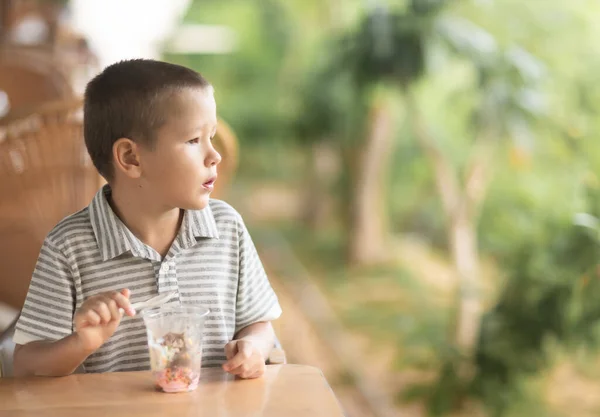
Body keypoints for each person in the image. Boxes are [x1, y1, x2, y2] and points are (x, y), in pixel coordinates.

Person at [12, 59, 282, 379]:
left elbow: (259, 324)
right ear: (131, 157)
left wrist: (253, 346)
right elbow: (26, 365)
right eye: (194, 140)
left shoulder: (226, 227)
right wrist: (81, 342)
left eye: (212, 136)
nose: (215, 155)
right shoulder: (68, 246)